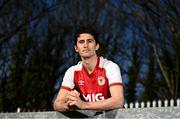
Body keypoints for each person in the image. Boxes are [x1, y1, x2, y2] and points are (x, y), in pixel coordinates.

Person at [53, 25, 124, 112]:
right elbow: (57, 104)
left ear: (97, 46)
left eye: (90, 41)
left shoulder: (110, 67)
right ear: (76, 48)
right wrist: (71, 104)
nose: (85, 45)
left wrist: (83, 105)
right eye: (81, 42)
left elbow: (118, 101)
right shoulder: (72, 72)